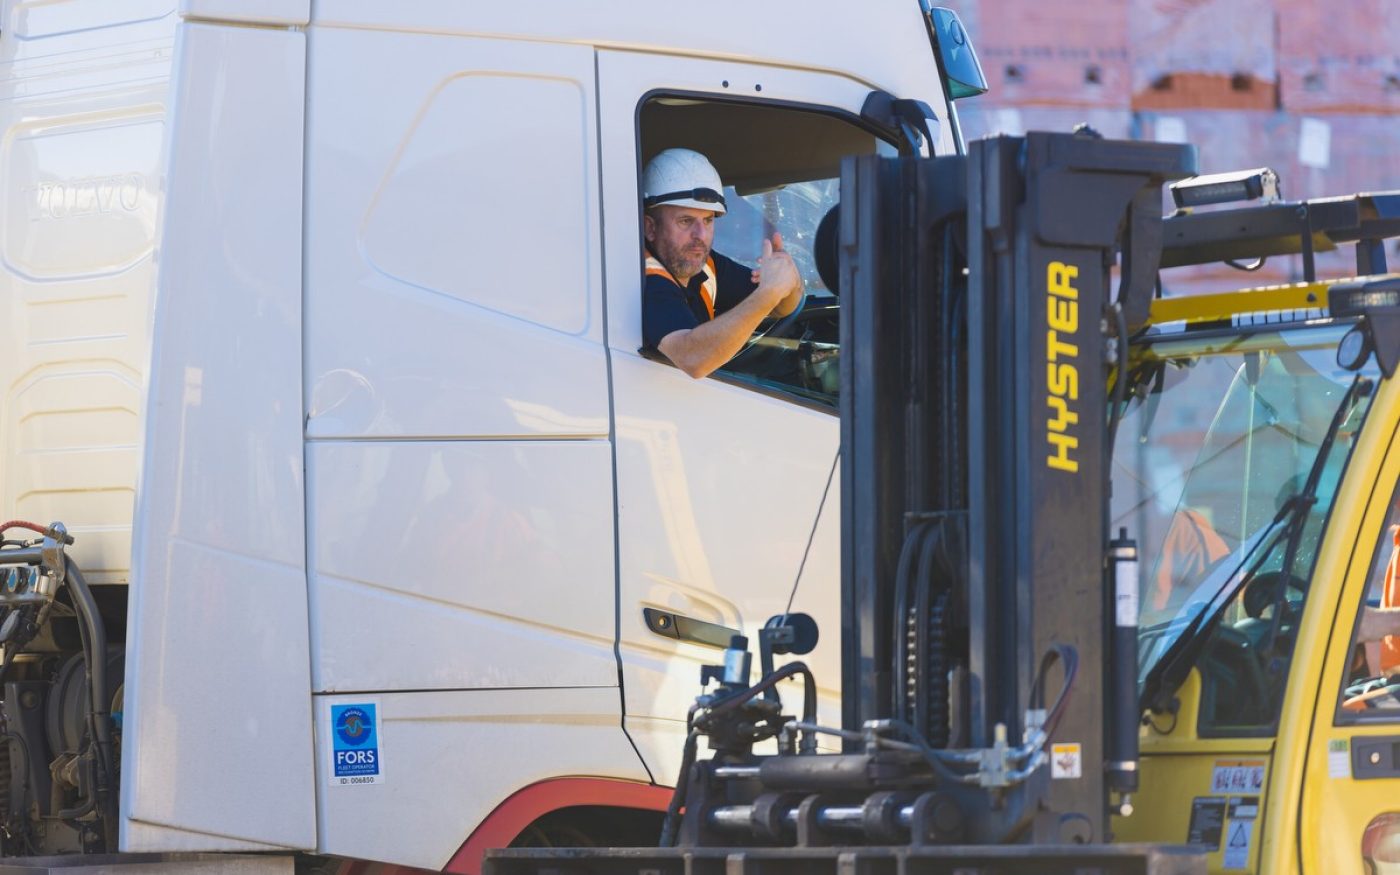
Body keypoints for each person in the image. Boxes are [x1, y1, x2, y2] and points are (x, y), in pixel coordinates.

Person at [640, 148, 803, 379]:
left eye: (708, 220)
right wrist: (770, 292)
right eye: (686, 221)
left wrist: (788, 277)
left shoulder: (703, 264)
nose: (700, 235)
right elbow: (693, 359)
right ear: (650, 228)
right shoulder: (648, 281)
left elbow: (780, 307)